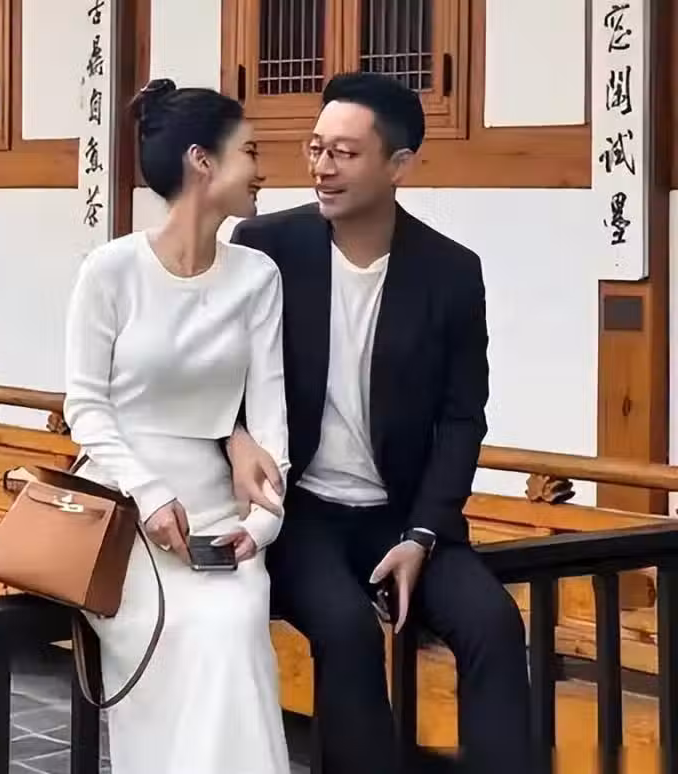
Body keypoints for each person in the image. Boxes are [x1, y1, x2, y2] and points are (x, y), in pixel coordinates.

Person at [226, 72, 532, 774]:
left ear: (399, 164)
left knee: (492, 622)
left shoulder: (450, 271)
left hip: (403, 515)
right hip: (302, 511)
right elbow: (218, 372)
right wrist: (234, 436)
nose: (322, 167)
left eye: (344, 152)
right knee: (346, 629)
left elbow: (462, 417)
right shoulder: (267, 246)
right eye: (316, 148)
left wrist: (422, 536)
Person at [63, 78, 292, 774]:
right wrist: (150, 492)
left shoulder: (257, 277)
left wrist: (262, 526)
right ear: (202, 161)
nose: (261, 169)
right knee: (185, 639)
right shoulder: (110, 271)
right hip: (124, 514)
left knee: (233, 628)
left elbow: (269, 419)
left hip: (218, 517)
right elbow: (85, 407)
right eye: (250, 152)